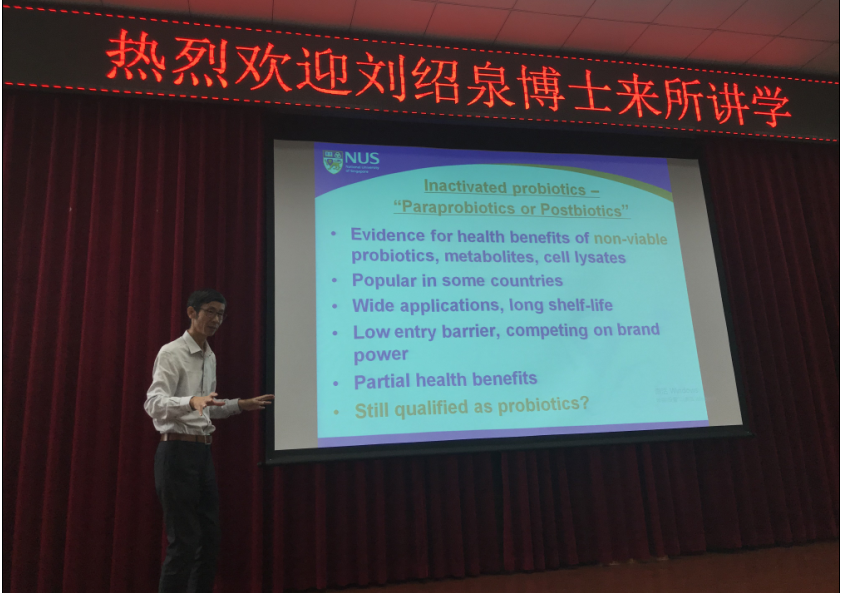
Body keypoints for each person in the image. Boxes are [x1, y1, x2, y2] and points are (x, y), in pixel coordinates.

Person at [144, 288, 274, 593]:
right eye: (211, 312)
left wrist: (240, 405)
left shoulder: (210, 355)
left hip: (202, 453)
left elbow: (207, 408)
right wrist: (191, 401)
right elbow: (154, 403)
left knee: (209, 538)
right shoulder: (172, 352)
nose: (216, 319)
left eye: (221, 314)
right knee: (183, 541)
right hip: (176, 451)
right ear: (192, 312)